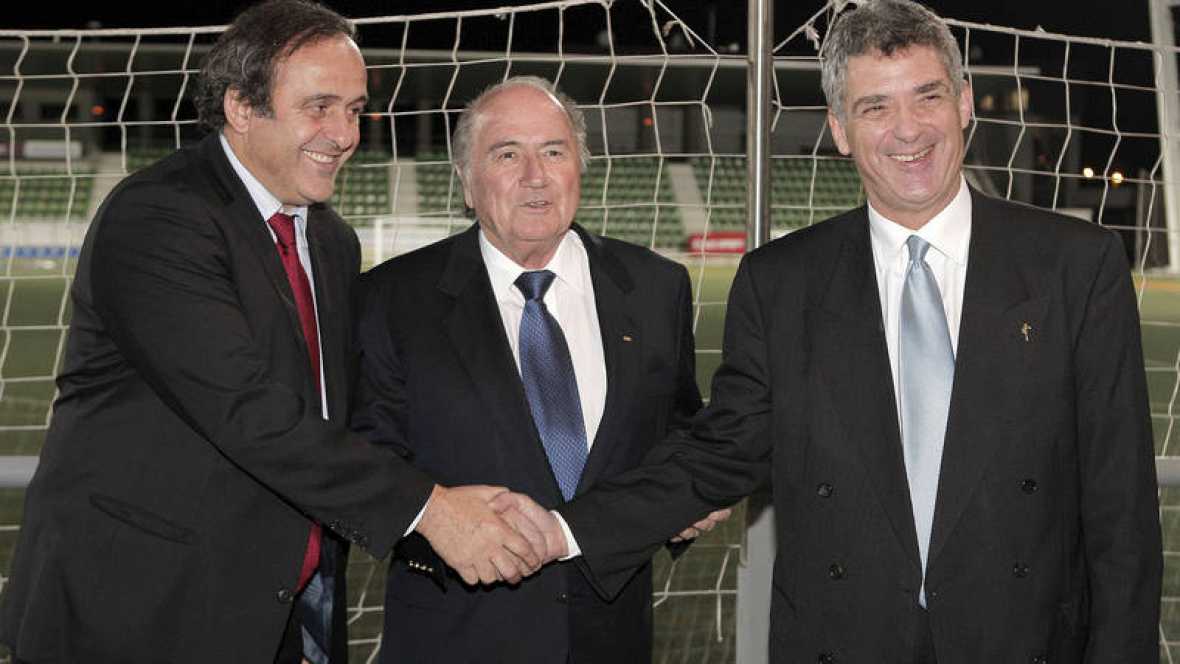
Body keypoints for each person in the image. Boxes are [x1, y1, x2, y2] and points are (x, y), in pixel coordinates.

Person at [498, 1, 1163, 661]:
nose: (907, 130)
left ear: (963, 103)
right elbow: (718, 454)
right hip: (846, 643)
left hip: (1026, 642)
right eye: (875, 107)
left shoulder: (1076, 265)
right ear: (839, 129)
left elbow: (1121, 509)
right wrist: (564, 529)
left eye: (926, 96)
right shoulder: (780, 282)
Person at [0, 2, 544, 662]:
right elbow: (247, 411)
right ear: (241, 106)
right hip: (143, 608)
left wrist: (463, 490)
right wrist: (432, 510)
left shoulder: (334, 241)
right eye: (319, 106)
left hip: (284, 604)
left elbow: (346, 411)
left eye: (354, 108)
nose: (344, 133)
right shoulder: (161, 218)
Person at [350, 75, 724, 663]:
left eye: (554, 151)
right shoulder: (391, 299)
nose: (535, 176)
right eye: (507, 154)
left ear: (580, 167)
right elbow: (366, 457)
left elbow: (678, 428)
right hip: (455, 637)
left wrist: (688, 499)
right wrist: (434, 517)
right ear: (467, 184)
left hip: (611, 638)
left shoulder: (656, 287)